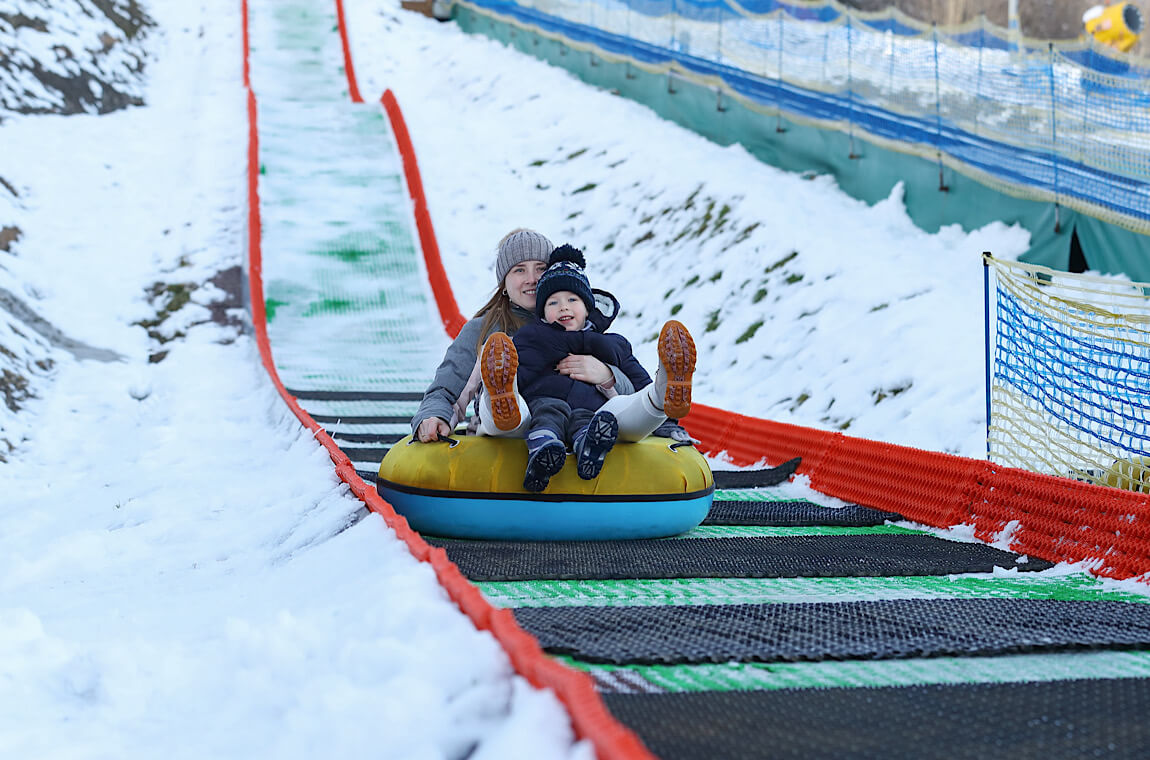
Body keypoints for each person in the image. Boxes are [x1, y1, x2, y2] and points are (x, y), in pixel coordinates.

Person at [481, 244, 697, 492]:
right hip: (545, 403)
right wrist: (504, 391)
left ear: (588, 308)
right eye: (553, 303)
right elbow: (520, 373)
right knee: (546, 415)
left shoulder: (612, 344)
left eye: (572, 300)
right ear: (542, 314)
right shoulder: (533, 337)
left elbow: (637, 378)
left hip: (594, 410)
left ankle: (663, 390)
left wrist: (668, 424)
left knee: (604, 417)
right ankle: (543, 449)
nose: (563, 307)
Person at [411, 228, 640, 442]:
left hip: (579, 434)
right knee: (507, 385)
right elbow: (447, 388)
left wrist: (607, 375)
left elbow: (632, 392)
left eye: (540, 267)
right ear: (503, 282)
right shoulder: (485, 329)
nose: (532, 278)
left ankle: (660, 401)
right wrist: (434, 416)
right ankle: (502, 394)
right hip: (505, 440)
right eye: (519, 269)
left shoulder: (579, 323)